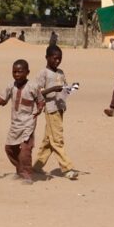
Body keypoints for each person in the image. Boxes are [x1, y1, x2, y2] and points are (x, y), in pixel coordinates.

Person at [0, 60, 42, 184]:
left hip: (28, 124)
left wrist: (39, 109)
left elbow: (40, 100)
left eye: (20, 71)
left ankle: (28, 175)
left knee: (25, 150)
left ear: (27, 72)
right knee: (9, 148)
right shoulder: (11, 86)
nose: (17, 74)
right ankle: (20, 170)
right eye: (14, 72)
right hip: (15, 124)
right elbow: (3, 98)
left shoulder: (33, 87)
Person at [32, 45, 79, 180]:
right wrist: (53, 89)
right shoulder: (43, 73)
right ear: (47, 58)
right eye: (54, 58)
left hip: (60, 108)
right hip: (51, 109)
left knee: (49, 139)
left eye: (59, 59)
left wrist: (72, 88)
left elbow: (65, 90)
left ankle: (37, 165)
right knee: (57, 139)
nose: (57, 61)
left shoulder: (61, 72)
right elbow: (38, 92)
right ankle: (67, 167)